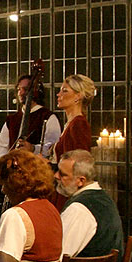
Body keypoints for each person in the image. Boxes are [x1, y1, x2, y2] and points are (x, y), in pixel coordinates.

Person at [56, 149, 124, 262]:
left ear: (80, 180)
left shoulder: (79, 209)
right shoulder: (102, 197)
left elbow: (59, 256)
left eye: (62, 174)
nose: (56, 176)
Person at [49, 74, 95, 211]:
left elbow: (80, 162)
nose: (58, 95)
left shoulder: (79, 124)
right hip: (61, 187)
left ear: (78, 96)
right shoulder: (70, 124)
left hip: (68, 191)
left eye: (64, 91)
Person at [0, 74, 60, 160]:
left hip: (36, 168)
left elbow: (52, 147)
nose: (20, 93)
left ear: (35, 91)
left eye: (25, 89)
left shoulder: (48, 116)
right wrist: (7, 163)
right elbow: (0, 147)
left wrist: (33, 148)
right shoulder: (12, 119)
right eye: (18, 89)